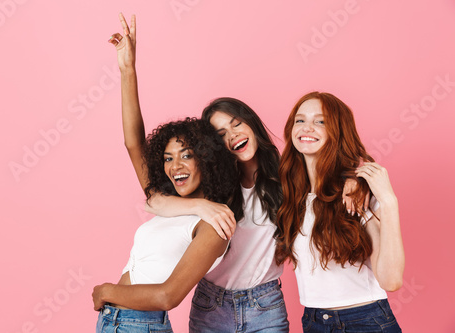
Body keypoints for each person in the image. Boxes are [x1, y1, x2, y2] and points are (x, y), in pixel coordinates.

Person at [108, 13, 361, 332]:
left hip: (265, 304)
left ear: (251, 123)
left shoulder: (288, 176)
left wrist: (353, 180)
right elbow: (138, 155)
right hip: (211, 304)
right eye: (221, 133)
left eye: (236, 124)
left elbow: (330, 174)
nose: (232, 135)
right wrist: (127, 70)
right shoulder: (206, 189)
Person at [92, 117, 242, 332]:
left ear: (207, 160)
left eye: (187, 155)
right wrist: (126, 80)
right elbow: (133, 143)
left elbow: (168, 296)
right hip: (116, 321)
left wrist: (106, 292)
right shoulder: (170, 205)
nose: (175, 166)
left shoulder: (214, 225)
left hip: (139, 325)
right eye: (168, 158)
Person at [275, 92, 405, 332]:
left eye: (320, 121)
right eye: (300, 120)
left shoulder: (358, 193)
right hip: (313, 320)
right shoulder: (290, 195)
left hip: (364, 320)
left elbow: (392, 280)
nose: (307, 127)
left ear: (338, 131)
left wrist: (388, 201)